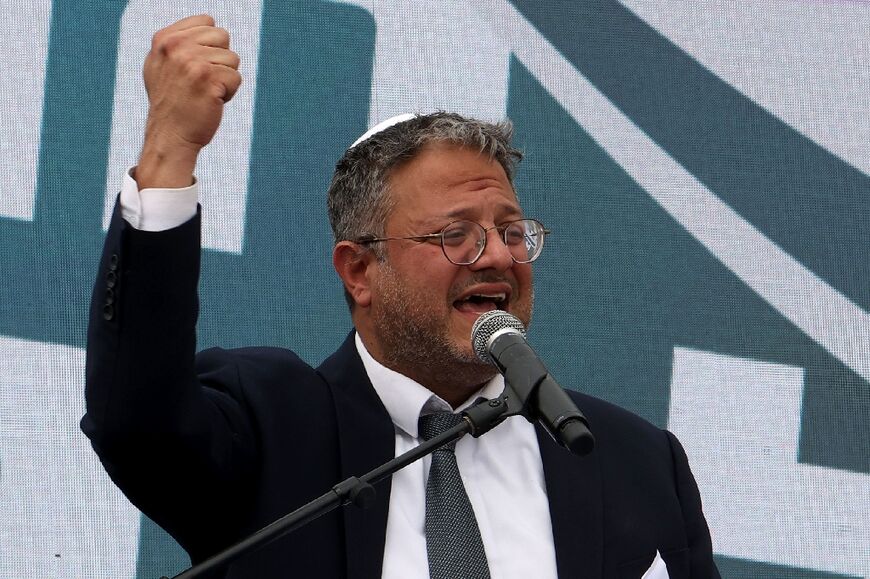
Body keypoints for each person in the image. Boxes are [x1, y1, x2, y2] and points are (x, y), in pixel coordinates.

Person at [82, 14, 720, 579]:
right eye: (456, 236)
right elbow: (137, 421)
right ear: (360, 270)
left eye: (510, 231)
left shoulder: (633, 459)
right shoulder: (272, 426)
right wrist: (169, 150)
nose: (497, 255)